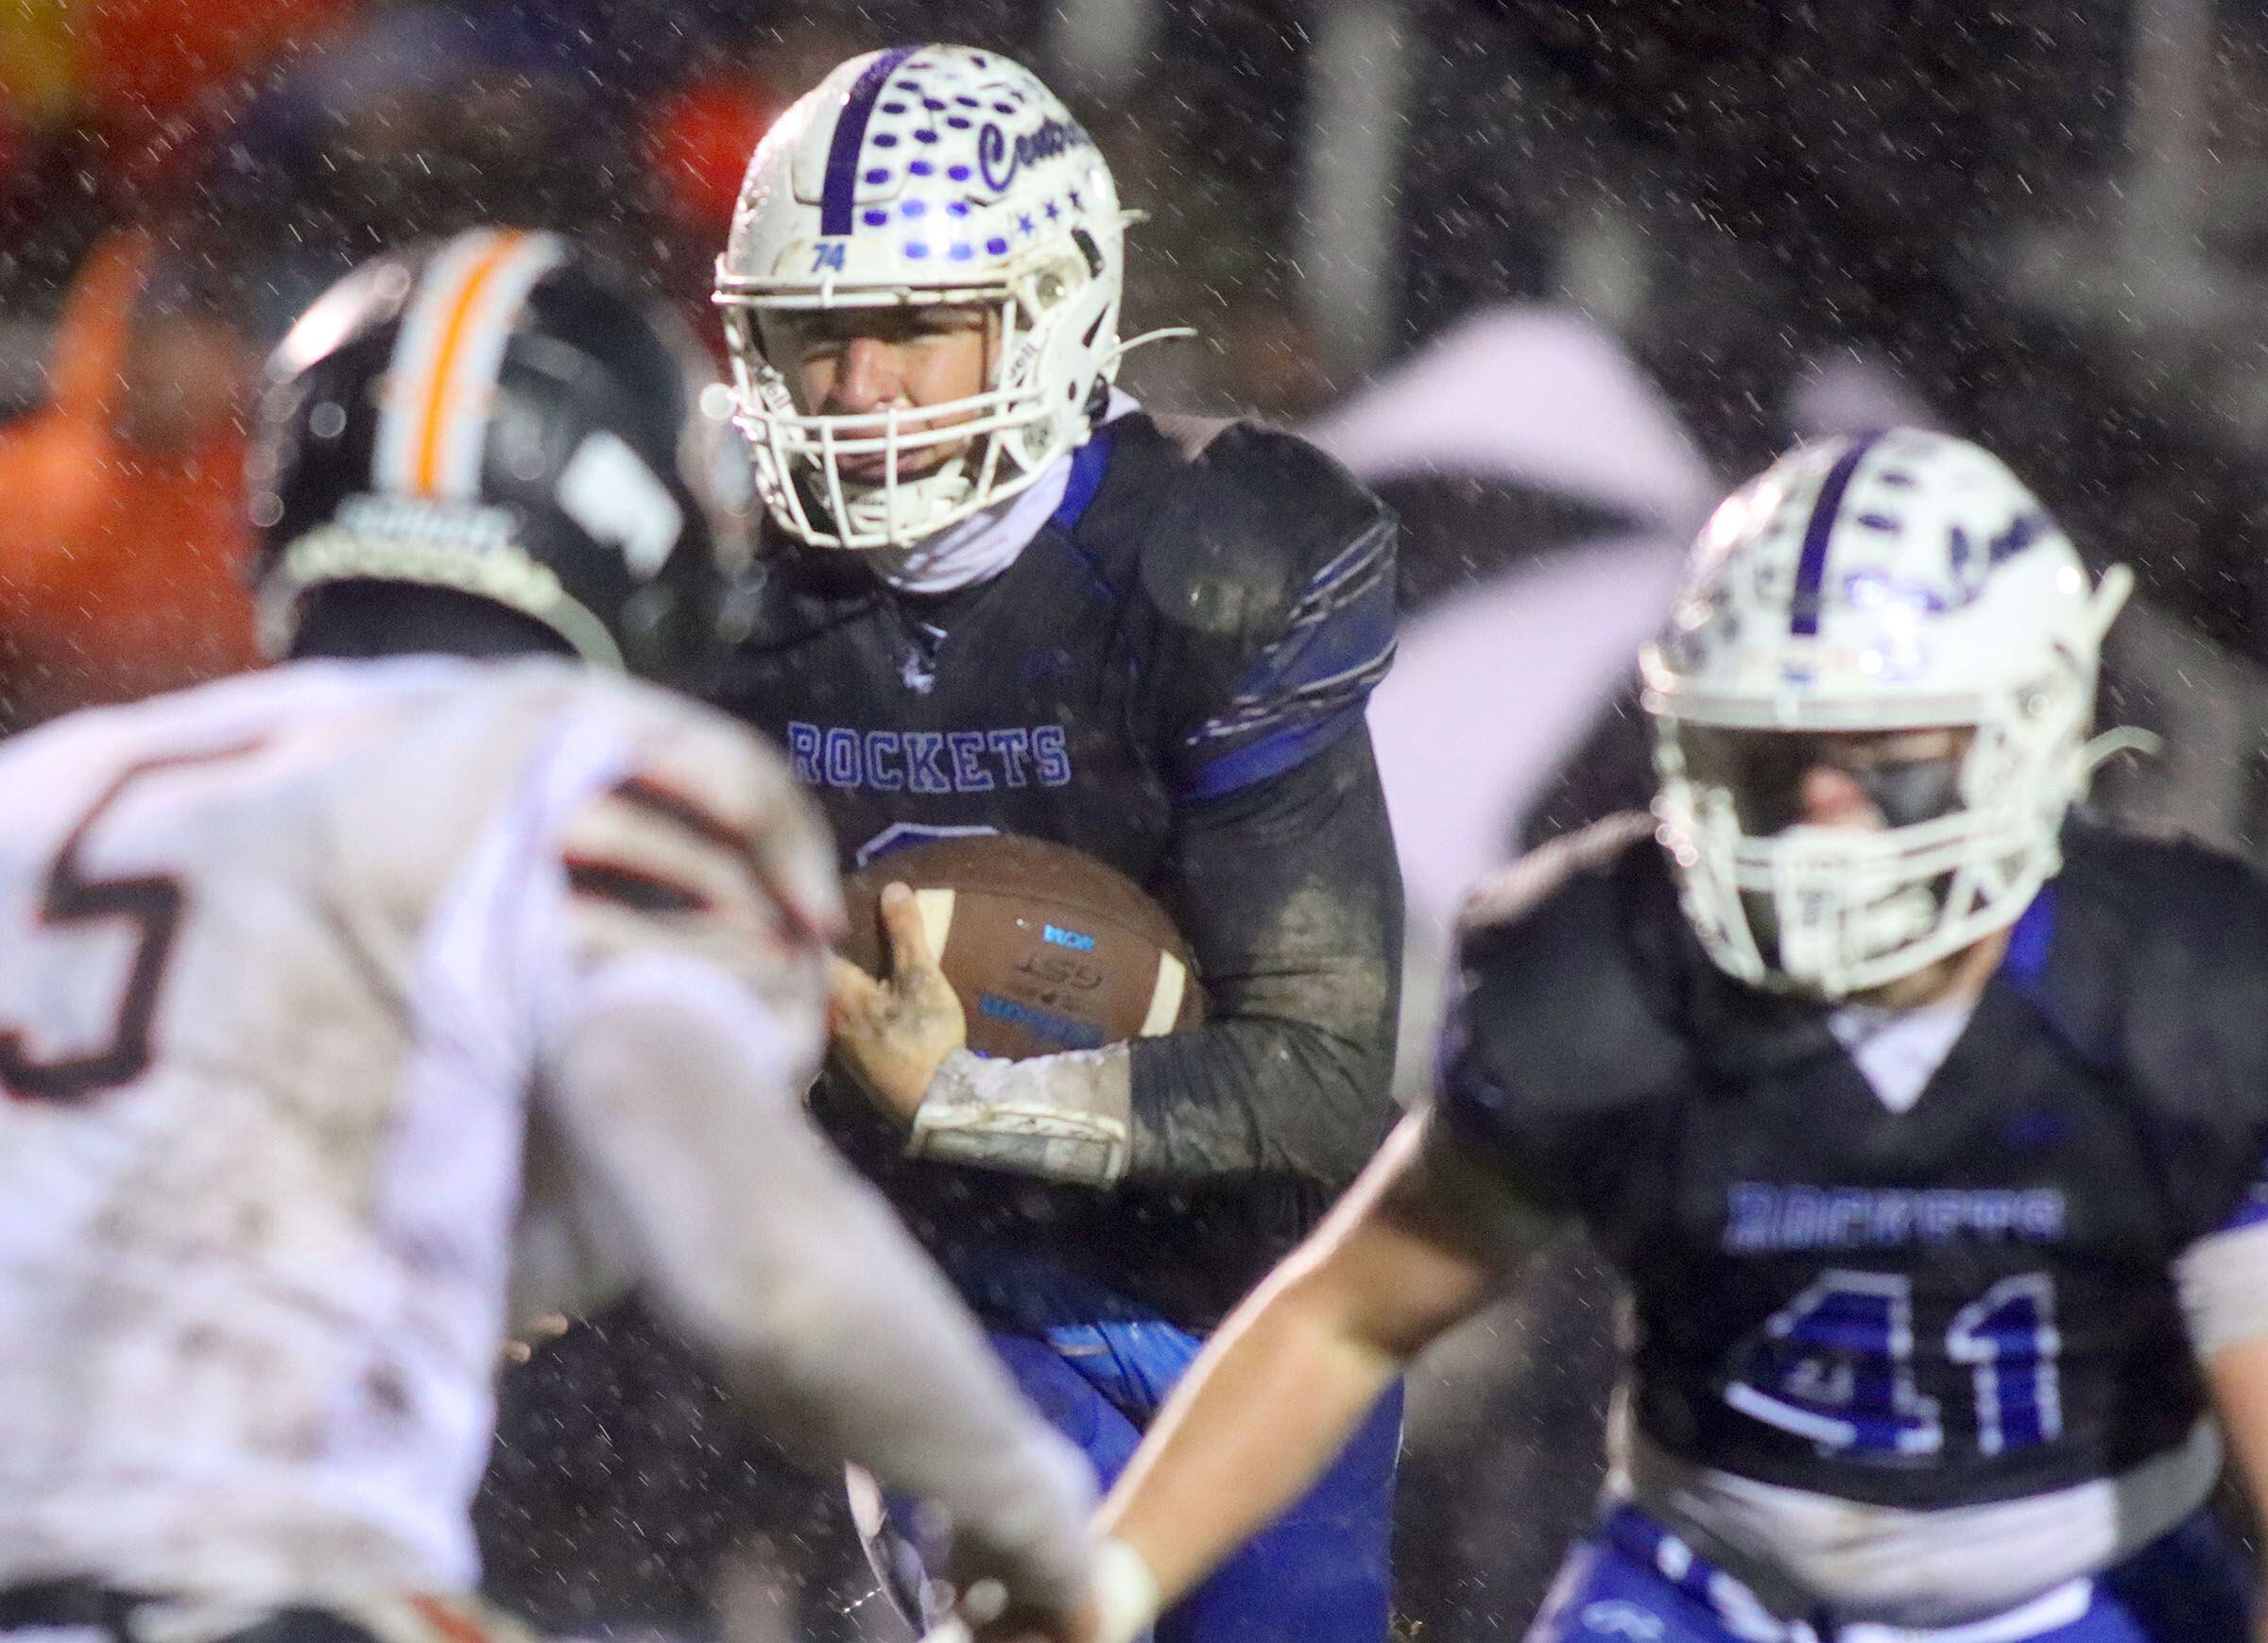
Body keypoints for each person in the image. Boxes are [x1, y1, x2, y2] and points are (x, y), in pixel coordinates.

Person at [0, 227, 1096, 1643]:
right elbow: (770, 1281)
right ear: (641, 517)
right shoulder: (583, 770)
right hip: (248, 1590)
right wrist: (1040, 1523)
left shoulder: (52, 789)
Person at [1026, 428, 2268, 1643]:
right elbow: (1348, 1316)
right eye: (1775, 755)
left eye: (1885, 754)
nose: (1823, 808)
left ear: (2028, 734)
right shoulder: (1610, 961)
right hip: (1714, 1581)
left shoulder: (2181, 995)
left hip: (2086, 1585)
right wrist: (1106, 1584)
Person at [709, 43, 1405, 1643]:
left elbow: (1316, 1076)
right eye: (817, 333)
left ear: (1049, 309)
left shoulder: (1209, 565)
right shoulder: (727, 595)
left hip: (1255, 1301)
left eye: (909, 327)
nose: (856, 386)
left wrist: (975, 1097)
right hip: (952, 1291)